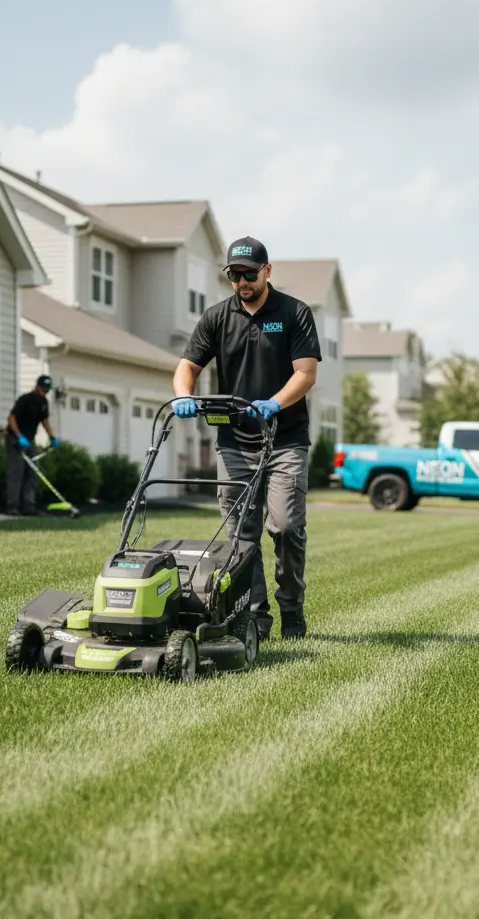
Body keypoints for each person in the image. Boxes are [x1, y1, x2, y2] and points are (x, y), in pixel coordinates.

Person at [172, 236, 321, 641]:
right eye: (234, 276)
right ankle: (255, 616)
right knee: (240, 535)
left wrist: (274, 403)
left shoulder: (294, 313)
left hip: (285, 440)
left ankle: (291, 609)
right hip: (234, 442)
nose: (242, 282)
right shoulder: (217, 317)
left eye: (249, 274)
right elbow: (187, 365)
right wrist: (184, 395)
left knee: (287, 527)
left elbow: (305, 373)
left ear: (267, 271)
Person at [6, 374, 60, 516]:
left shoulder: (43, 403)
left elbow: (45, 420)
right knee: (16, 473)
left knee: (32, 473)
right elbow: (11, 418)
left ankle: (28, 507)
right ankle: (13, 507)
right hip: (16, 439)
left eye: (47, 390)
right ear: (37, 386)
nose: (44, 392)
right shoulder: (25, 400)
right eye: (43, 389)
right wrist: (19, 436)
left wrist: (52, 437)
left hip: (30, 440)